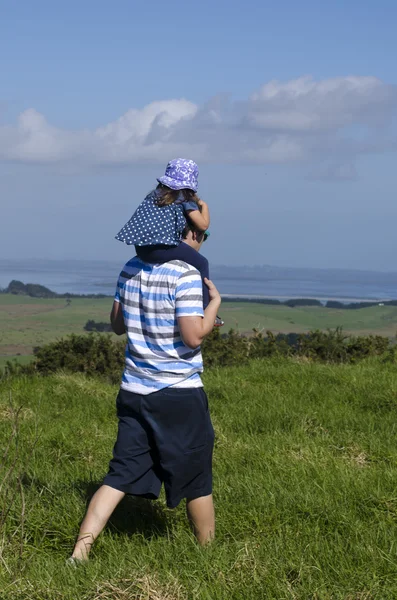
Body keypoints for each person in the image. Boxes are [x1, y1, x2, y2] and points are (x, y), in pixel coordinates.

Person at [69, 221, 221, 562]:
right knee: (196, 475)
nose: (201, 240)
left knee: (120, 473)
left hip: (133, 389)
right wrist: (214, 306)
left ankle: (79, 553)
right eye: (201, 234)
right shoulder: (184, 274)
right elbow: (193, 337)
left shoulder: (130, 267)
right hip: (178, 392)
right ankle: (210, 558)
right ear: (186, 235)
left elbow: (118, 324)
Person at [115, 157, 223, 326]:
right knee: (201, 263)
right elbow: (202, 224)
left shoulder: (154, 195)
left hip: (142, 249)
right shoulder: (183, 198)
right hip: (162, 249)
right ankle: (203, 309)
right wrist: (204, 206)